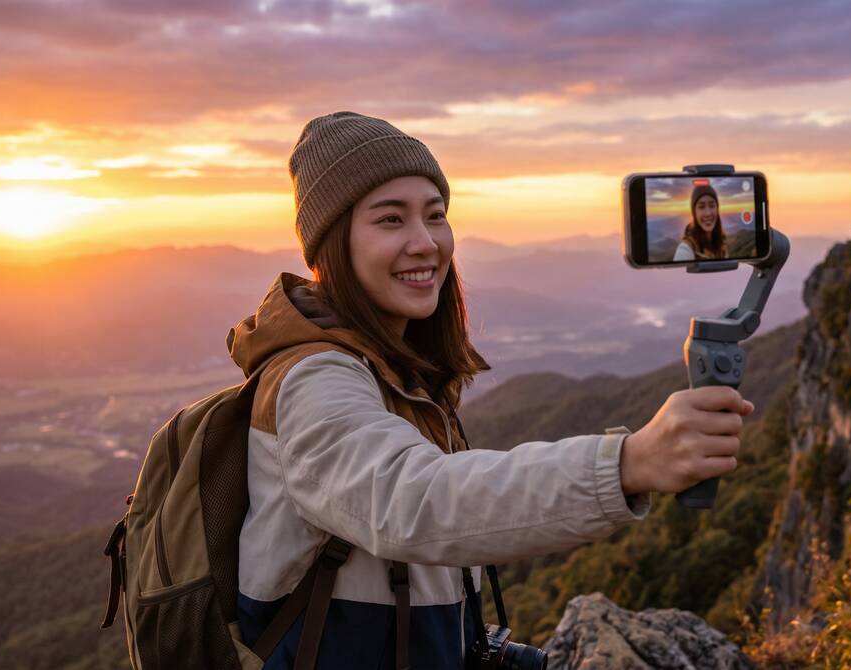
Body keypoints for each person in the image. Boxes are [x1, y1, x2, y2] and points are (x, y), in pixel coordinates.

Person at [229, 111, 753, 668]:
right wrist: (626, 463)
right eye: (390, 220)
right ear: (331, 244)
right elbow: (410, 501)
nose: (425, 242)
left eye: (436, 216)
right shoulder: (314, 379)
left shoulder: (393, 369)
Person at [672, 183, 729, 261]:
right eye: (701, 207)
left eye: (712, 206)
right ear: (694, 212)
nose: (708, 213)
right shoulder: (686, 249)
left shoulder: (721, 243)